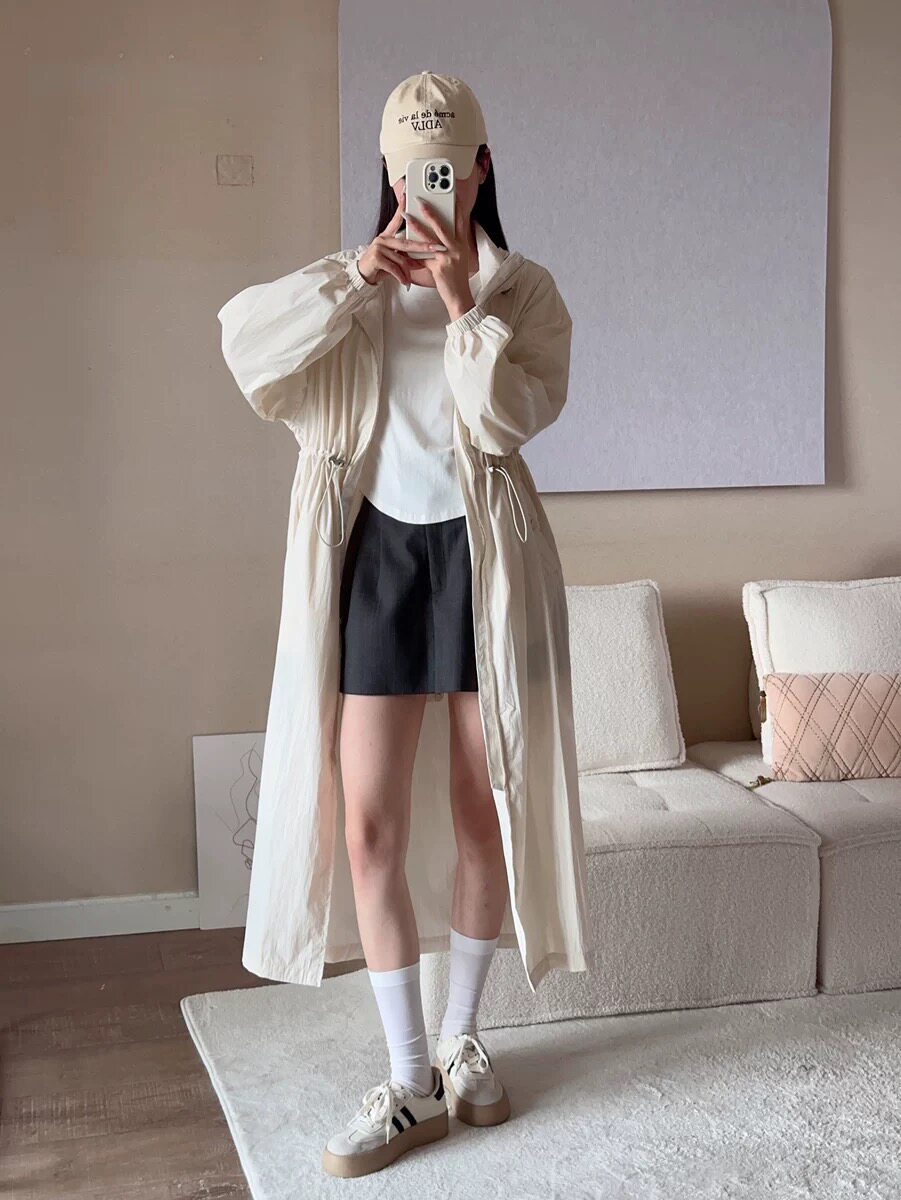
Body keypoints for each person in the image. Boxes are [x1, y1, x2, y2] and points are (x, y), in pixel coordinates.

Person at [217, 70, 591, 1180]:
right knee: (369, 829)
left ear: (480, 167)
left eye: (448, 164)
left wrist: (464, 306)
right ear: (385, 170)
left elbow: (508, 418)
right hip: (375, 561)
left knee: (486, 816)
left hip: (485, 565)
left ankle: (465, 1039)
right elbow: (246, 350)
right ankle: (410, 1075)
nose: (430, 184)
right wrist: (356, 275)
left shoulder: (524, 293)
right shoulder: (352, 289)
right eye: (409, 166)